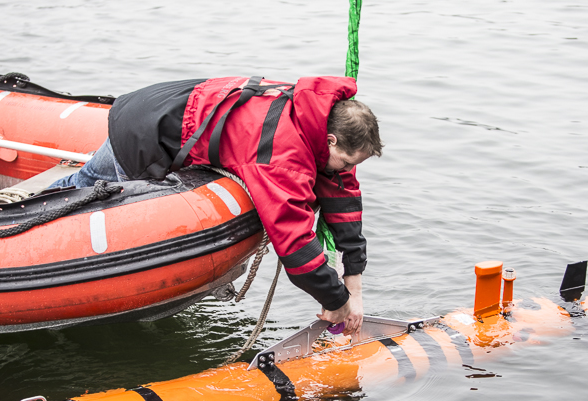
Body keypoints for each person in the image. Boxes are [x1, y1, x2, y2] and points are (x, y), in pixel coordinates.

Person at [51, 76, 383, 335]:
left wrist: (353, 276)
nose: (343, 170)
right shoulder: (282, 154)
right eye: (345, 161)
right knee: (88, 191)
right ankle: (24, 218)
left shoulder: (315, 113)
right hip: (145, 131)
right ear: (331, 141)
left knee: (86, 184)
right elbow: (294, 244)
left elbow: (342, 191)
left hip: (168, 107)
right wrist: (336, 301)